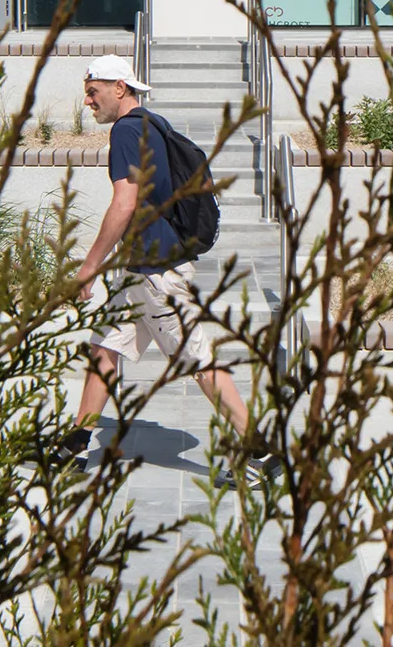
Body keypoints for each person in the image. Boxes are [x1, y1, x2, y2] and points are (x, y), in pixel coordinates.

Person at [62, 53, 268, 461]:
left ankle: (259, 451)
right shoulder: (152, 124)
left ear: (119, 88)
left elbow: (125, 202)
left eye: (93, 92)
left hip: (156, 274)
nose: (88, 102)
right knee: (106, 347)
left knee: (196, 359)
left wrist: (88, 268)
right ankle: (75, 444)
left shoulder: (125, 131)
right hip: (143, 267)